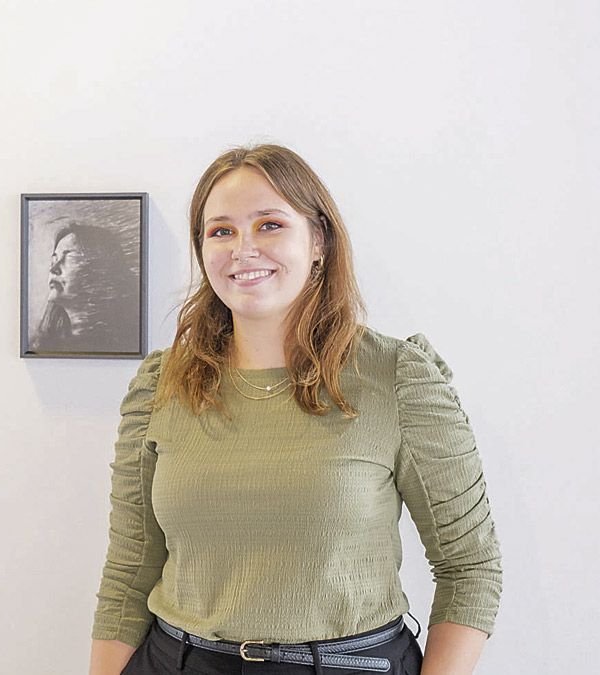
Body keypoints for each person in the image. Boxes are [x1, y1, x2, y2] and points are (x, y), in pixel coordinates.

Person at [88, 144, 502, 675]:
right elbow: (129, 571)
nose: (243, 249)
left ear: (319, 241)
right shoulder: (160, 384)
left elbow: (470, 567)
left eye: (269, 225)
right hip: (176, 661)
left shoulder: (397, 377)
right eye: (221, 231)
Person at [31, 221, 139, 353]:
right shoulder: (44, 345)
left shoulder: (119, 343)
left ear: (98, 269)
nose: (54, 269)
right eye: (54, 260)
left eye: (68, 258)